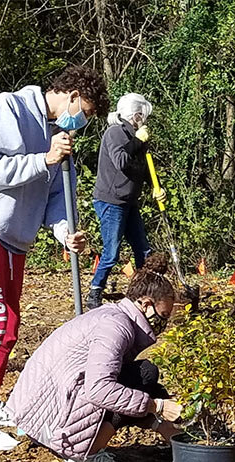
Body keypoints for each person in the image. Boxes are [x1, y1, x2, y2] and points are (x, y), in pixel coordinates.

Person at [0, 65, 110, 451]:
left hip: (17, 236)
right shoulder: (8, 108)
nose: (82, 122)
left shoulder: (57, 136)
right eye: (85, 112)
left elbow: (55, 198)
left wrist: (63, 231)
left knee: (10, 324)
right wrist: (45, 159)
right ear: (71, 95)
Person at [7, 269, 184, 462]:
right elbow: (100, 389)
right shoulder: (116, 327)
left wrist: (159, 423)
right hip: (51, 422)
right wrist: (159, 407)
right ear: (146, 304)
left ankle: (83, 445)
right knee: (142, 376)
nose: (163, 323)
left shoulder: (110, 315)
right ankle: (83, 458)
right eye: (163, 315)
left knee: (141, 378)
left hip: (38, 415)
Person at [87, 93, 156, 309]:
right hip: (111, 201)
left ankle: (144, 291)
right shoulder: (115, 133)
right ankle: (94, 292)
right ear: (136, 115)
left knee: (143, 249)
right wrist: (138, 141)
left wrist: (156, 186)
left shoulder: (135, 137)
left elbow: (143, 166)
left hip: (129, 201)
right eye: (143, 116)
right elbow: (122, 161)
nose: (145, 121)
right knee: (111, 253)